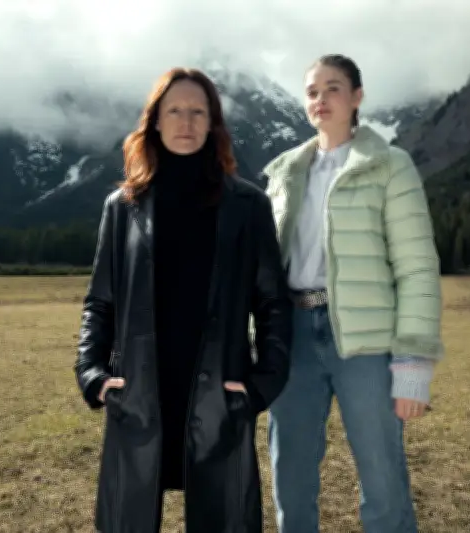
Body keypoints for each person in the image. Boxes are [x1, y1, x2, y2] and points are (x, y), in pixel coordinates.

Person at [74, 67, 293, 533]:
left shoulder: (248, 206)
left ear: (213, 122)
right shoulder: (123, 207)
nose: (186, 122)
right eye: (174, 110)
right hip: (140, 395)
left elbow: (273, 304)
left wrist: (261, 385)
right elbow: (100, 302)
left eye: (198, 111)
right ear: (155, 121)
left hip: (219, 397)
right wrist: (92, 375)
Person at [261, 54, 445, 533]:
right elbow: (264, 270)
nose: (321, 99)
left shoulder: (390, 166)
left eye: (333, 88)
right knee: (289, 473)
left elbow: (417, 267)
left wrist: (413, 362)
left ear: (357, 97)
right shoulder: (284, 174)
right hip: (293, 337)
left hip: (367, 342)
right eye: (312, 91)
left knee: (382, 477)